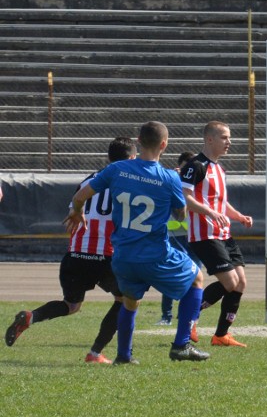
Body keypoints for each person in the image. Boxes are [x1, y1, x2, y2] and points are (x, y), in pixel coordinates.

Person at [63, 121, 210, 364]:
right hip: (154, 254)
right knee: (196, 279)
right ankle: (181, 345)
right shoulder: (169, 177)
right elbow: (180, 214)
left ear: (139, 141)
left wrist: (78, 211)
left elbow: (79, 196)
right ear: (164, 145)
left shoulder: (116, 169)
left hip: (122, 256)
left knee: (129, 302)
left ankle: (123, 356)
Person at [5, 137, 137, 364]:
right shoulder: (130, 182)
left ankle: (32, 316)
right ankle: (95, 353)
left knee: (71, 305)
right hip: (107, 254)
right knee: (125, 300)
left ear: (108, 157)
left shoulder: (88, 180)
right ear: (133, 158)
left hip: (76, 252)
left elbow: (73, 212)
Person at [180, 121, 253, 348]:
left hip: (223, 233)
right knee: (230, 282)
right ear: (209, 139)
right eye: (224, 137)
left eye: (229, 137)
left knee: (240, 283)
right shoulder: (195, 166)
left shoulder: (219, 169)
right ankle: (189, 317)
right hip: (204, 235)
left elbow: (220, 203)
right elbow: (185, 198)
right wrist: (210, 212)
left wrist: (238, 216)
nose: (229, 142)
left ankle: (221, 335)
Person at [158, 151, 200, 326]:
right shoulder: (171, 180)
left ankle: (188, 317)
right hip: (175, 235)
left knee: (194, 275)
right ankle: (166, 316)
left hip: (195, 236)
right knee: (173, 274)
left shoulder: (198, 183)